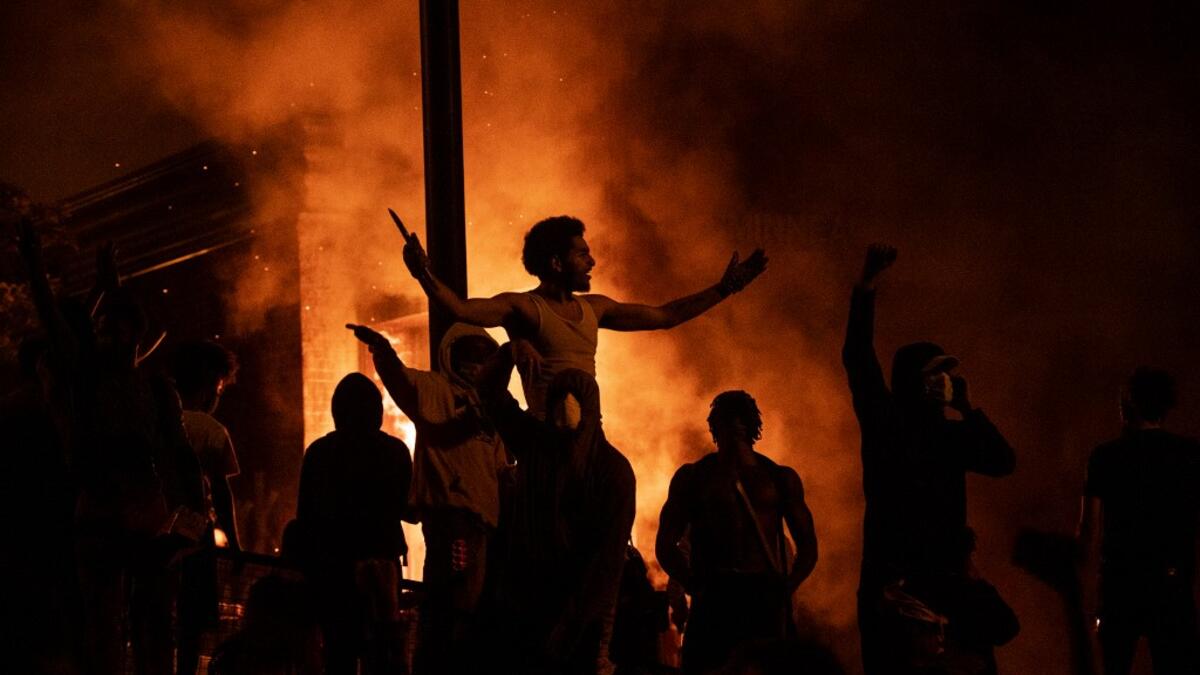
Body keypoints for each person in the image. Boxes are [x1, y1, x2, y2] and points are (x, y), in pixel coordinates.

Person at [18, 221, 205, 675]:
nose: (107, 336)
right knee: (118, 623)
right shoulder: (93, 379)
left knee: (141, 623)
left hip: (136, 514)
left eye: (114, 330)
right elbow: (60, 322)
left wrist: (100, 285)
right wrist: (39, 271)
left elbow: (177, 452)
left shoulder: (142, 386)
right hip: (113, 512)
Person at [842, 244, 1016, 675]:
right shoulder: (885, 422)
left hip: (947, 579)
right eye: (933, 373)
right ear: (911, 381)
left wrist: (969, 407)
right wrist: (866, 286)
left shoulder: (954, 434)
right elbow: (859, 358)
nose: (942, 381)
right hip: (894, 581)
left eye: (946, 374)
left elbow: (1002, 461)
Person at [397, 214, 767, 416]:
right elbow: (460, 308)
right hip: (545, 439)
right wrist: (423, 274)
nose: (591, 261)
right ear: (557, 263)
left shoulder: (595, 308)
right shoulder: (525, 308)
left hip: (590, 434)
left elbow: (666, 316)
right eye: (582, 254)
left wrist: (724, 289)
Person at [347, 322, 509, 675]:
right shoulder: (434, 389)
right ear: (454, 358)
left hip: (483, 526)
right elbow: (401, 380)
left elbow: (500, 471)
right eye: (471, 356)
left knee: (466, 609)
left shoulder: (490, 412)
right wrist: (383, 351)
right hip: (455, 522)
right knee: (453, 607)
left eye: (485, 357)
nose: (478, 364)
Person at [480, 356, 636, 674]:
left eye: (575, 396)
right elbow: (491, 393)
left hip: (579, 609)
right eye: (560, 395)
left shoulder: (612, 471)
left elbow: (607, 561)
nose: (567, 404)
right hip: (526, 600)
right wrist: (512, 348)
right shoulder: (536, 444)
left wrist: (573, 622)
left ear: (590, 405)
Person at [656, 390, 818, 675]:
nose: (734, 426)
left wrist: (786, 587)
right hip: (715, 595)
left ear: (751, 425)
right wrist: (694, 584)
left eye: (739, 419)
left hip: (761, 596)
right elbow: (666, 544)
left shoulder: (779, 478)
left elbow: (808, 546)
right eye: (727, 419)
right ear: (715, 426)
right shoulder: (693, 478)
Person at [1077, 367, 1199, 675]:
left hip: (1121, 585)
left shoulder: (1105, 457)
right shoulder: (1189, 455)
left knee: (1112, 666)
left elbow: (1088, 531)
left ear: (1126, 405)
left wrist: (1082, 590)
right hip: (1173, 584)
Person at [295, 373, 413, 675]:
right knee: (383, 647)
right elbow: (408, 508)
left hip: (333, 563)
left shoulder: (319, 452)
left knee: (339, 648)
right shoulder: (395, 451)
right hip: (383, 559)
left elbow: (305, 515)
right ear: (376, 411)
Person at [171, 339, 242, 675]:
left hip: (155, 537)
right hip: (197, 542)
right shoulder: (212, 431)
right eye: (220, 387)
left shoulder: (158, 420)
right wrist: (236, 544)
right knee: (191, 629)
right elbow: (221, 492)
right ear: (211, 384)